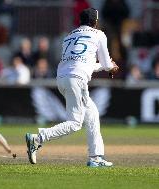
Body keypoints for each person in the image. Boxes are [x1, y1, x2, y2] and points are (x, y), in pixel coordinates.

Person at [25, 8, 119, 167]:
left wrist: (106, 67)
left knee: (93, 114)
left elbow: (81, 62)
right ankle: (38, 138)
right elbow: (105, 63)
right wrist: (110, 67)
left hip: (62, 78)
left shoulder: (69, 36)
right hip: (77, 80)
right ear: (95, 22)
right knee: (75, 123)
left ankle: (95, 157)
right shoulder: (99, 34)